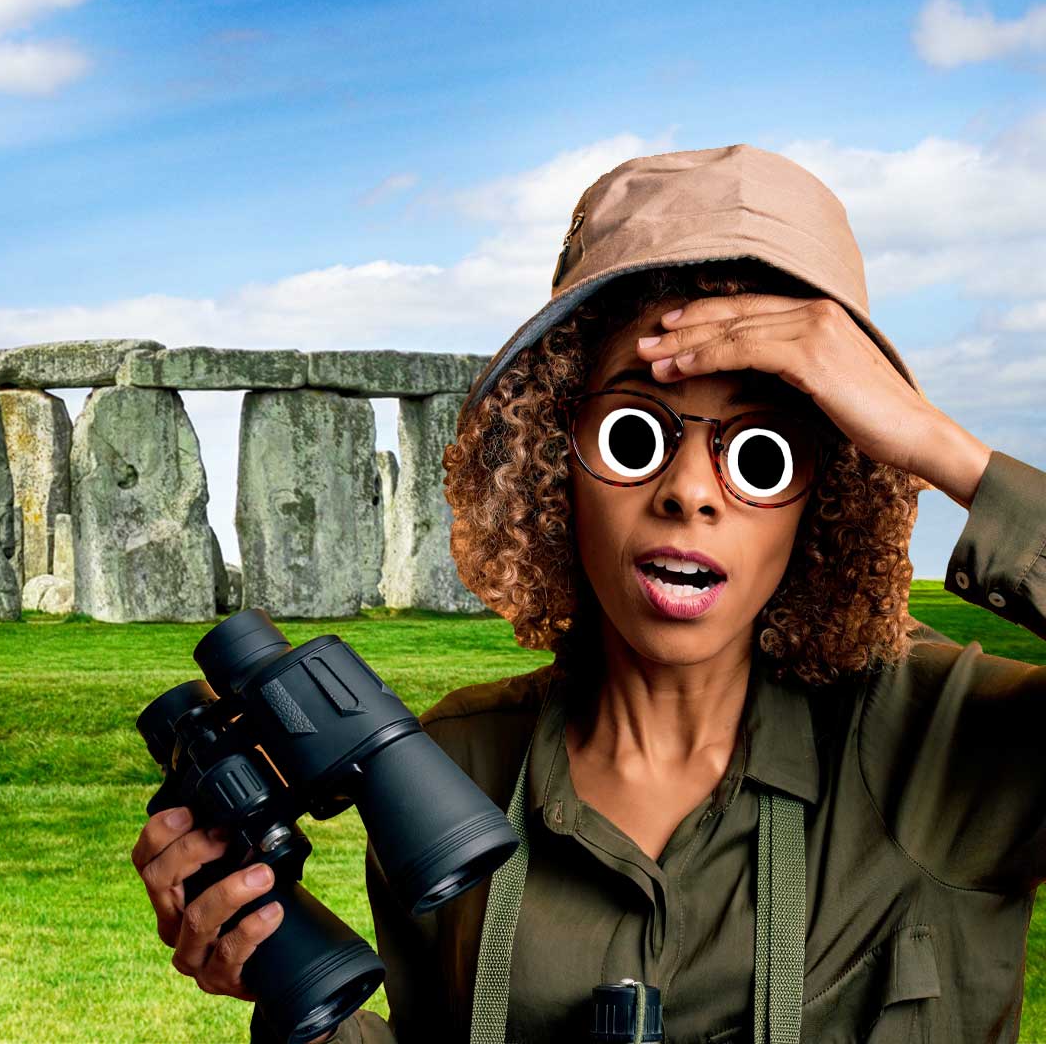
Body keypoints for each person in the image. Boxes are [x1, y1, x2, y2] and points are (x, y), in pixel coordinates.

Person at [131, 144, 1045, 1042]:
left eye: (762, 453)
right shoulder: (452, 773)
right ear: (548, 461)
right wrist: (291, 992)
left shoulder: (948, 744)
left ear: (834, 488)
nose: (690, 491)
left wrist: (942, 450)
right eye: (634, 434)